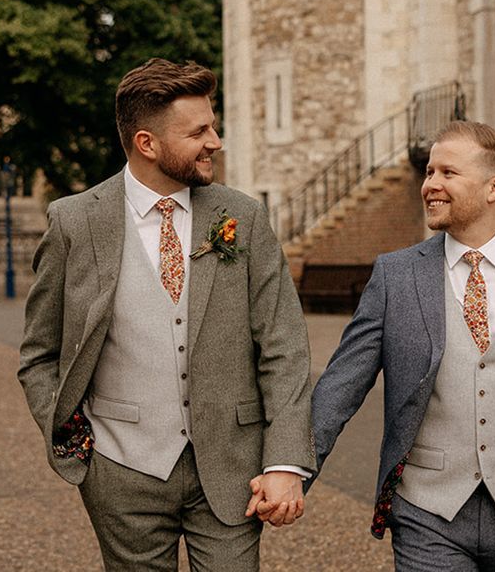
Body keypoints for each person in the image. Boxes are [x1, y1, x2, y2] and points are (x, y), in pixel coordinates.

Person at [18, 58, 314, 572]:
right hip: (120, 471)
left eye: (213, 126)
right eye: (198, 132)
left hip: (233, 468)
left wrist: (285, 461)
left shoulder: (242, 216)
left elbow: (284, 347)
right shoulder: (74, 222)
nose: (215, 141)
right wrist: (76, 445)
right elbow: (39, 354)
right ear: (147, 143)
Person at [308, 120, 495, 571]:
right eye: (430, 172)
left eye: (448, 173)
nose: (431, 184)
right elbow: (341, 384)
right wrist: (292, 468)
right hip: (426, 513)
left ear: (494, 188)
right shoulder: (395, 275)